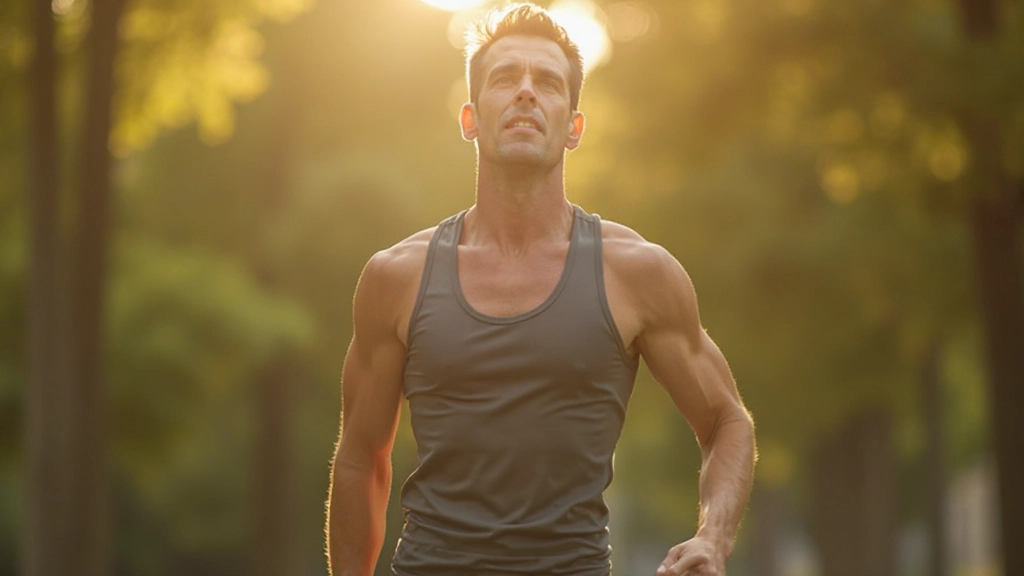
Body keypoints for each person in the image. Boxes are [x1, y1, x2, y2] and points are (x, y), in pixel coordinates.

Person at [325, 3, 756, 575]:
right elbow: (361, 459)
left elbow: (727, 422)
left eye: (548, 83)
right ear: (470, 119)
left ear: (574, 127)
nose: (526, 92)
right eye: (505, 78)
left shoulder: (637, 272)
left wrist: (714, 538)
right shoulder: (396, 276)